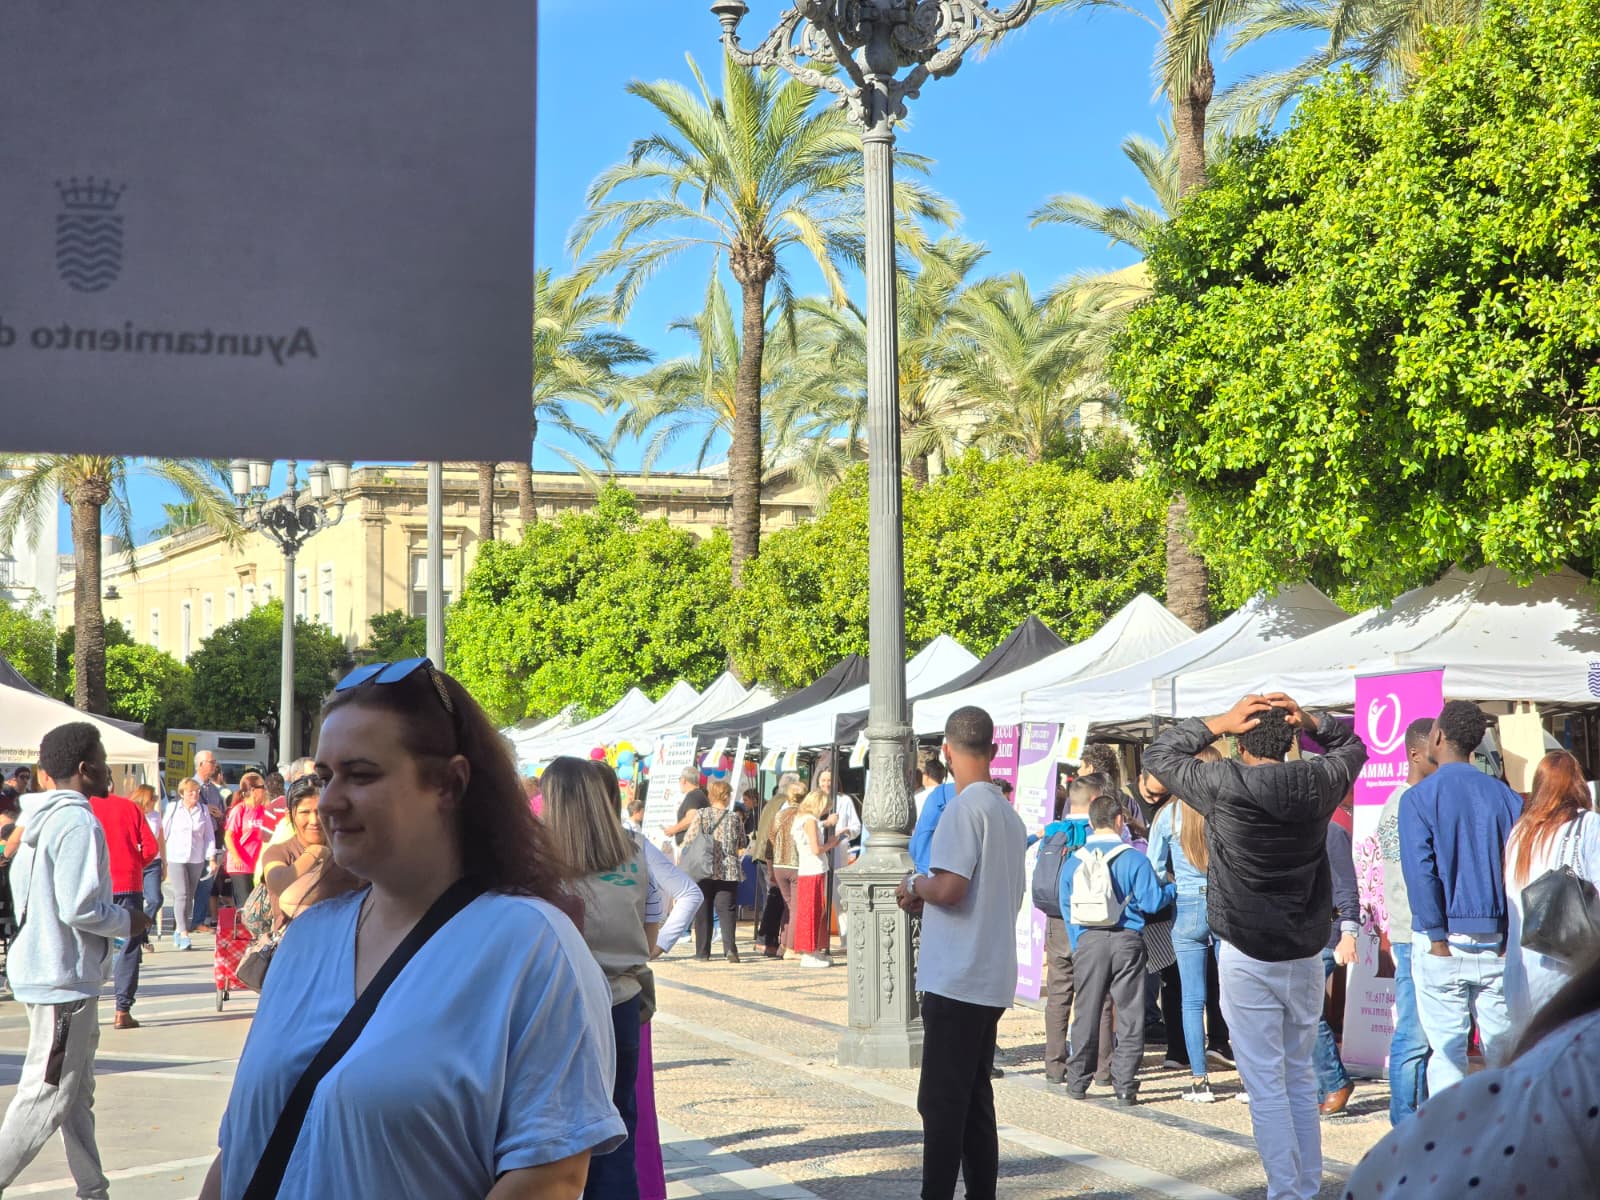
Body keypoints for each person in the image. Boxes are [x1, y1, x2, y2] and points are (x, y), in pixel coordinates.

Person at [200, 658, 624, 1200]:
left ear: (450, 783)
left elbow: (551, 1178)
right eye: (326, 778)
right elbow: (239, 1148)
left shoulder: (531, 947)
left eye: (361, 774)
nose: (327, 801)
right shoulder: (308, 939)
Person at [1144, 693, 1367, 1200]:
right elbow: (1353, 744)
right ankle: (1304, 1189)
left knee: (1267, 1087)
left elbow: (1159, 756)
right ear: (1291, 740)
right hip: (1306, 951)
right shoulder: (1317, 781)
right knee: (1296, 1082)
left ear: (1240, 740)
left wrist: (1218, 721)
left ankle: (1288, 1193)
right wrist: (1312, 721)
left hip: (1247, 950)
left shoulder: (1224, 784)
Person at [0, 721, 149, 1199]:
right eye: (105, 761)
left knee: (74, 1095)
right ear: (86, 769)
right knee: (46, 1096)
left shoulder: (37, 821)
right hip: (62, 980)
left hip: (52, 972)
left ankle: (93, 1189)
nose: (111, 771)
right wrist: (129, 922)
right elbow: (79, 906)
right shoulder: (78, 821)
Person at [896, 706, 1026, 1200]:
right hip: (990, 973)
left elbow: (950, 887)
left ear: (947, 752)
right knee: (974, 1099)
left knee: (941, 1102)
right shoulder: (1008, 815)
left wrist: (914, 884)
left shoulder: (962, 809)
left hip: (957, 975)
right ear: (992, 752)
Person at [1343, 953, 1600, 1197]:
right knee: (1441, 1050)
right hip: (1457, 949)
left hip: (1468, 949)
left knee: (1446, 1051)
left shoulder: (1561, 1073)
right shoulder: (1562, 1070)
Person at [541, 756, 652, 1200]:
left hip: (566, 1009)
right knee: (617, 1131)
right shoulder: (633, 852)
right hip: (623, 1002)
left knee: (560, 1137)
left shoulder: (541, 860)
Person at [1399, 699, 1523, 1092]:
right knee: (1503, 1055)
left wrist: (1436, 936)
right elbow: (1519, 869)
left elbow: (1421, 873)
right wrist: (1507, 933)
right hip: (1496, 941)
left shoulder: (1417, 798)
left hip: (1443, 941)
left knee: (1448, 1054)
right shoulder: (1507, 798)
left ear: (1436, 736)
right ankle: (1506, 1141)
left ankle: (1448, 1144)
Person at [1059, 794, 1176, 1104]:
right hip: (1127, 940)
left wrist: (1077, 942)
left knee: (1087, 1011)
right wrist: (1172, 889)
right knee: (1129, 1012)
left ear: (1091, 823)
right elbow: (1152, 902)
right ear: (1120, 820)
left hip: (1088, 941)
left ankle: (1077, 1081)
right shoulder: (1134, 859)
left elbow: (1065, 905)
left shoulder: (1075, 860)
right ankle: (1124, 1083)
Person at [1144, 748, 1232, 1103]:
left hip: (1187, 905)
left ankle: (1199, 1080)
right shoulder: (1226, 810)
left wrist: (1172, 885)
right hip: (1225, 903)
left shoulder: (1168, 814)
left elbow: (1152, 868)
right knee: (1233, 995)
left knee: (1191, 999)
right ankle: (1246, 1077)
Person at [1504, 749, 1600, 1035]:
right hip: (1567, 967)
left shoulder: (1520, 833)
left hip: (1520, 967)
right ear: (1577, 784)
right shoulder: (1588, 825)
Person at [1375, 717, 1436, 1124]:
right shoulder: (1401, 805)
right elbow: (1406, 876)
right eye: (1436, 747)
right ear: (1415, 754)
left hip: (1421, 932)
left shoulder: (1417, 800)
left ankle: (1418, 1119)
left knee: (1427, 1036)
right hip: (1413, 935)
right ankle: (1402, 1123)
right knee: (1413, 1035)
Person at [1041, 774, 1113, 1090]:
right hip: (1091, 923)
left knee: (1058, 994)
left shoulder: (1052, 833)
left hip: (1056, 921)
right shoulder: (1097, 833)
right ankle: (1101, 1067)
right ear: (1096, 800)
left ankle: (1054, 1065)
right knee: (1099, 996)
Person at [89, 784, 160, 1028]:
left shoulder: (85, 807)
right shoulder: (129, 807)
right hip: (128, 882)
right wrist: (136, 864)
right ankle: (122, 1010)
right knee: (130, 946)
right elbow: (151, 847)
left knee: (92, 942)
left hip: (96, 882)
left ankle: (90, 1004)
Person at [257, 775, 363, 933]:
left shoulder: (346, 851)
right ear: (289, 815)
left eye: (320, 811)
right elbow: (279, 885)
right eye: (305, 812)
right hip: (295, 945)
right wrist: (315, 853)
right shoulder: (278, 852)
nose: (314, 820)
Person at [1315, 795, 1361, 1115]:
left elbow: (1347, 886)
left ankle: (1334, 1083)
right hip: (1302, 937)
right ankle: (1324, 1086)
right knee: (1303, 1012)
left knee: (1306, 1012)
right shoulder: (1305, 830)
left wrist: (1348, 934)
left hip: (1326, 936)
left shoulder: (1332, 832)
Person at [683, 779, 749, 962]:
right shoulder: (734, 817)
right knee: (727, 910)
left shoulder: (702, 814)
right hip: (728, 870)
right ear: (727, 797)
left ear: (711, 795)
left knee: (703, 909)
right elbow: (742, 842)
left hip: (704, 868)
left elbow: (689, 839)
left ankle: (703, 952)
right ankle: (730, 950)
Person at [163, 777, 218, 951]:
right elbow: (163, 833)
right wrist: (161, 858)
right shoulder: (173, 808)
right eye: (190, 792)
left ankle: (179, 929)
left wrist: (212, 858)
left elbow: (209, 835)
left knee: (190, 896)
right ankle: (184, 931)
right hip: (176, 856)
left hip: (196, 857)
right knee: (181, 894)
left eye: (196, 791)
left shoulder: (202, 810)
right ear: (182, 794)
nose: (194, 794)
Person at [791, 789, 841, 968]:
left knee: (812, 909)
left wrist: (825, 824)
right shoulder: (810, 821)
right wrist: (832, 843)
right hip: (813, 868)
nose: (826, 809)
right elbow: (816, 849)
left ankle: (812, 949)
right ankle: (809, 951)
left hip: (807, 868)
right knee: (812, 910)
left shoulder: (802, 819)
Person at [752, 772, 798, 957]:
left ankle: (766, 941)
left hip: (763, 854)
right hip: (771, 856)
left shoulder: (772, 801)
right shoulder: (784, 804)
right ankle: (766, 941)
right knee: (775, 899)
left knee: (772, 898)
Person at [223, 772, 274, 906]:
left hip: (257, 864)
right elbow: (228, 836)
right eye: (262, 787)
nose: (265, 790)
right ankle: (245, 927)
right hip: (240, 865)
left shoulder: (264, 810)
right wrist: (237, 857)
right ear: (253, 790)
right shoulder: (240, 810)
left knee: (259, 904)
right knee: (246, 904)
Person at [769, 780, 806, 959]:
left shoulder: (779, 815)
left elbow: (771, 837)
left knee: (788, 906)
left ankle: (783, 945)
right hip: (795, 864)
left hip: (779, 864)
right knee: (796, 908)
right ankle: (792, 948)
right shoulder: (803, 815)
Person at [131, 784, 168, 943]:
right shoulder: (132, 813)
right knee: (135, 900)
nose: (155, 801)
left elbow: (160, 840)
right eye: (153, 798)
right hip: (135, 861)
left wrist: (164, 863)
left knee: (155, 899)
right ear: (145, 798)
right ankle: (138, 935)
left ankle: (141, 931)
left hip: (153, 861)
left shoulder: (155, 815)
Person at [909, 756, 958, 875]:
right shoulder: (989, 799)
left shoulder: (926, 797)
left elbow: (915, 845)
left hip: (927, 869)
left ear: (926, 775)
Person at [661, 767, 708, 847]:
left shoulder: (693, 795)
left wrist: (673, 829)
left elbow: (691, 819)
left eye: (679, 779)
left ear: (684, 780)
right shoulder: (697, 794)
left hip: (691, 847)